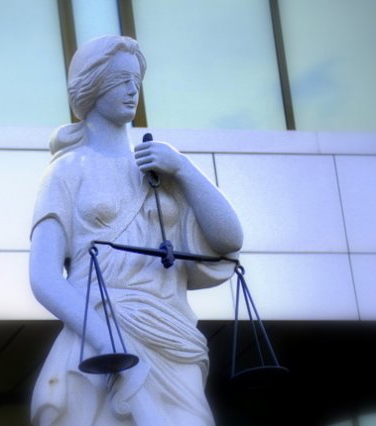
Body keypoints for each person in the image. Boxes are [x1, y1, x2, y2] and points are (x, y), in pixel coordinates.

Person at [29, 35, 243, 426]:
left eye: (136, 80)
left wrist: (184, 168)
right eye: (120, 80)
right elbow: (44, 276)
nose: (132, 90)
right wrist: (107, 341)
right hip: (99, 339)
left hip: (170, 336)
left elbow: (230, 239)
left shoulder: (162, 170)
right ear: (92, 86)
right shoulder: (66, 171)